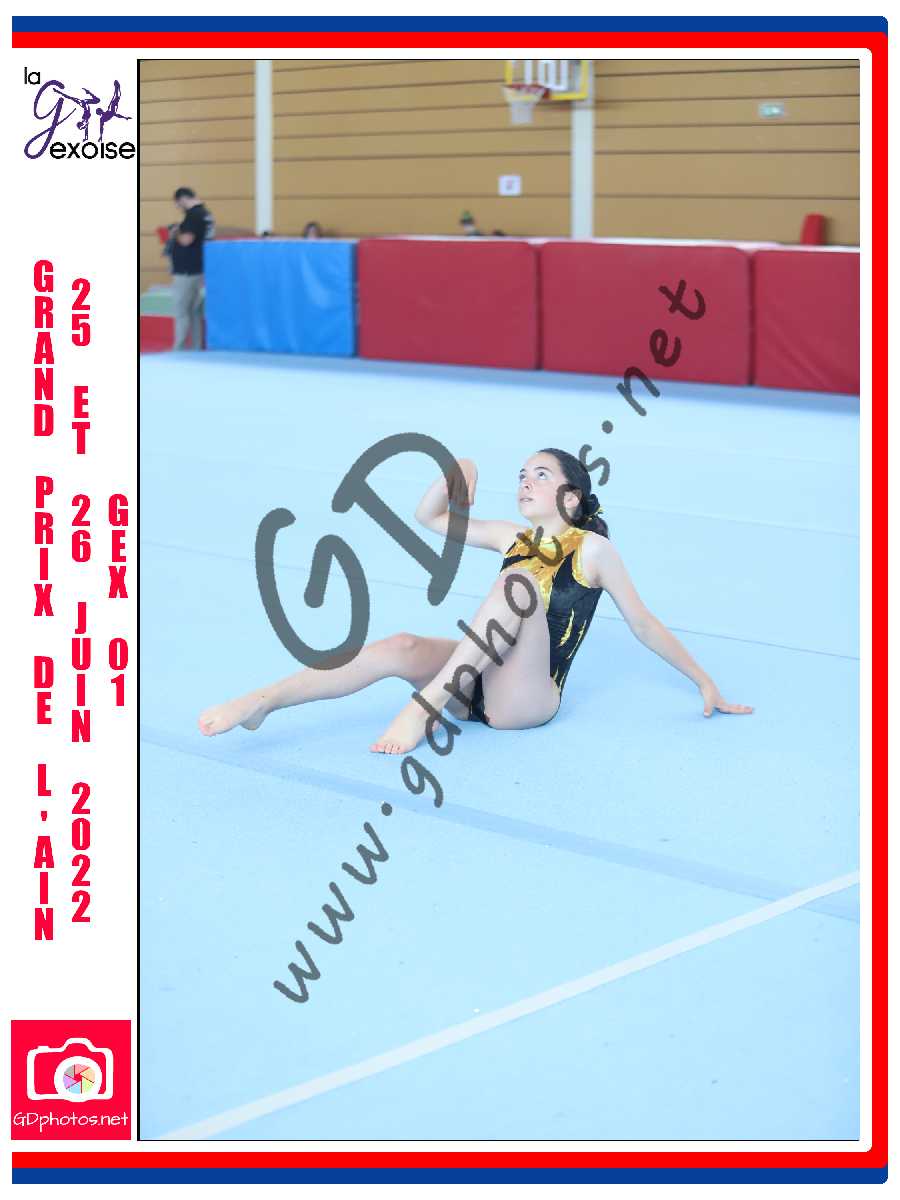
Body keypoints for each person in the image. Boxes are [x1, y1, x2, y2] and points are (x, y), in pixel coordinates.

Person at [198, 449, 753, 752]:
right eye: (522, 475)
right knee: (400, 645)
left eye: (540, 475)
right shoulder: (511, 536)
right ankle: (265, 701)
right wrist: (461, 469)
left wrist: (703, 681)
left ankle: (423, 710)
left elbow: (644, 624)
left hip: (529, 700)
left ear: (572, 496)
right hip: (476, 684)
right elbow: (429, 517)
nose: (525, 482)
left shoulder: (593, 550)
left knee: (518, 588)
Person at [170, 186, 215, 351]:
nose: (179, 208)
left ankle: (179, 348)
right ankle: (196, 347)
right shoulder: (206, 214)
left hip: (187, 270)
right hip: (199, 267)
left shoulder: (193, 215)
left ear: (182, 199)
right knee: (195, 311)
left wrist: (175, 232)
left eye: (178, 204)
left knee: (181, 310)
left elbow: (186, 240)